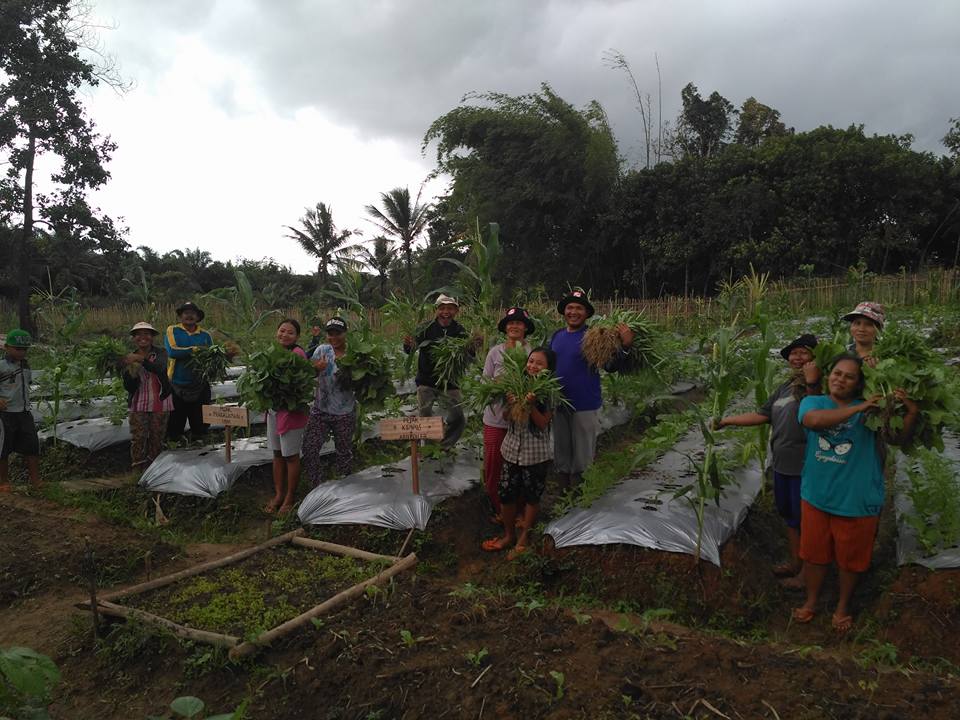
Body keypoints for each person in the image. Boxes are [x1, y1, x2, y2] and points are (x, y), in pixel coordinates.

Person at [792, 354, 918, 634]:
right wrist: (859, 408)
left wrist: (910, 413)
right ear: (828, 376)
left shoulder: (874, 412)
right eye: (837, 373)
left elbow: (897, 440)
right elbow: (813, 421)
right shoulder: (813, 402)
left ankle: (842, 607)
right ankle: (811, 601)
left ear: (858, 383)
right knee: (814, 555)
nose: (841, 379)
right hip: (816, 496)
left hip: (857, 499)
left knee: (851, 560)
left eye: (849, 376)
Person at [715, 334, 821, 588]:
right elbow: (762, 415)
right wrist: (726, 421)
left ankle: (808, 573)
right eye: (793, 354)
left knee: (807, 521)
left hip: (805, 467)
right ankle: (796, 562)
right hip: (782, 465)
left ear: (815, 358)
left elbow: (819, 410)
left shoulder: (818, 386)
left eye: (803, 353)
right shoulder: (784, 387)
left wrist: (813, 381)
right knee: (790, 517)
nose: (797, 358)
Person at [549, 289, 634, 489]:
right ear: (564, 312)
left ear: (587, 313)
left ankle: (579, 500)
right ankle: (564, 498)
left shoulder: (593, 336)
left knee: (582, 457)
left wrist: (626, 346)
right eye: (570, 307)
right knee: (562, 454)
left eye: (579, 308)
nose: (573, 312)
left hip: (584, 405)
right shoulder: (557, 336)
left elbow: (610, 366)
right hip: (559, 404)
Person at [481, 347, 556, 560]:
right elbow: (506, 417)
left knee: (532, 496)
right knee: (506, 493)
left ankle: (524, 538)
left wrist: (530, 406)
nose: (532, 366)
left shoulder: (550, 392)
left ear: (548, 369)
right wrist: (513, 404)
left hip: (535, 454)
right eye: (531, 361)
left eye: (539, 364)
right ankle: (508, 536)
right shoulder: (517, 385)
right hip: (511, 449)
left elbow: (542, 424)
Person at [402, 294, 477, 449]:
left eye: (450, 308)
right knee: (425, 416)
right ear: (436, 310)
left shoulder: (459, 330)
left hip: (450, 381)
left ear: (455, 311)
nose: (445, 312)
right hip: (426, 381)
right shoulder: (425, 328)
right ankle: (429, 448)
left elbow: (469, 356)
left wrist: (471, 347)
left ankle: (445, 445)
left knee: (458, 417)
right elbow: (410, 349)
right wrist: (408, 343)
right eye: (442, 308)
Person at [482, 307, 534, 523]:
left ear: (525, 328)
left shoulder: (532, 353)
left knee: (520, 467)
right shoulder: (495, 352)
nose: (514, 326)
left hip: (520, 421)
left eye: (519, 323)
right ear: (505, 328)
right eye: (510, 322)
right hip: (495, 420)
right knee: (494, 466)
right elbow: (485, 382)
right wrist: (500, 385)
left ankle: (519, 510)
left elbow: (537, 383)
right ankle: (499, 510)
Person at [302, 317, 356, 484]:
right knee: (310, 449)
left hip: (345, 412)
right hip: (320, 409)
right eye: (330, 334)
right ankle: (316, 486)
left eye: (337, 333)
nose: (333, 337)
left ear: (345, 333)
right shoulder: (322, 350)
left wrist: (351, 376)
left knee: (344, 452)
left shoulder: (354, 354)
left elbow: (362, 382)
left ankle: (343, 487)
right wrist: (315, 369)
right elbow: (307, 374)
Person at [265, 318, 309, 514]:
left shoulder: (298, 353)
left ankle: (290, 497)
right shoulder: (271, 352)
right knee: (276, 454)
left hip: (291, 413)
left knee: (290, 456)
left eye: (290, 332)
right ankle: (279, 494)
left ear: (297, 337)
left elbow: (301, 385)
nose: (285, 335)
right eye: (282, 330)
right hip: (274, 411)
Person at [121, 322, 174, 471]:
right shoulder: (128, 358)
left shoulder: (161, 353)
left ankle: (154, 469)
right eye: (138, 334)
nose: (143, 337)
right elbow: (128, 387)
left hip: (160, 401)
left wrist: (141, 360)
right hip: (138, 402)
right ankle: (138, 468)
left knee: (157, 437)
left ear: (152, 337)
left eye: (147, 334)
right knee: (138, 437)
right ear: (133, 338)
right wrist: (131, 372)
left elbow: (160, 368)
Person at [164, 301, 214, 441]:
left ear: (198, 317)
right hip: (177, 384)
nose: (189, 315)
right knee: (175, 425)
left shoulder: (205, 335)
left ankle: (201, 451)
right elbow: (173, 352)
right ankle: (175, 453)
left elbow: (211, 356)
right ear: (181, 316)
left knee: (201, 425)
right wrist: (197, 349)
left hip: (200, 385)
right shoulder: (173, 330)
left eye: (193, 313)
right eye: (186, 312)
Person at [0, 330, 40, 489]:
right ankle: (3, 482)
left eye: (24, 349)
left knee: (32, 446)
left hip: (24, 412)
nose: (21, 352)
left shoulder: (26, 366)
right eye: (17, 349)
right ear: (7, 347)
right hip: (6, 414)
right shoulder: (2, 366)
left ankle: (36, 481)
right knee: (3, 448)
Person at [841, 301, 884, 367]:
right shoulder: (842, 352)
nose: (861, 329)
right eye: (857, 323)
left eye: (868, 324)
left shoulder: (885, 355)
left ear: (879, 329)